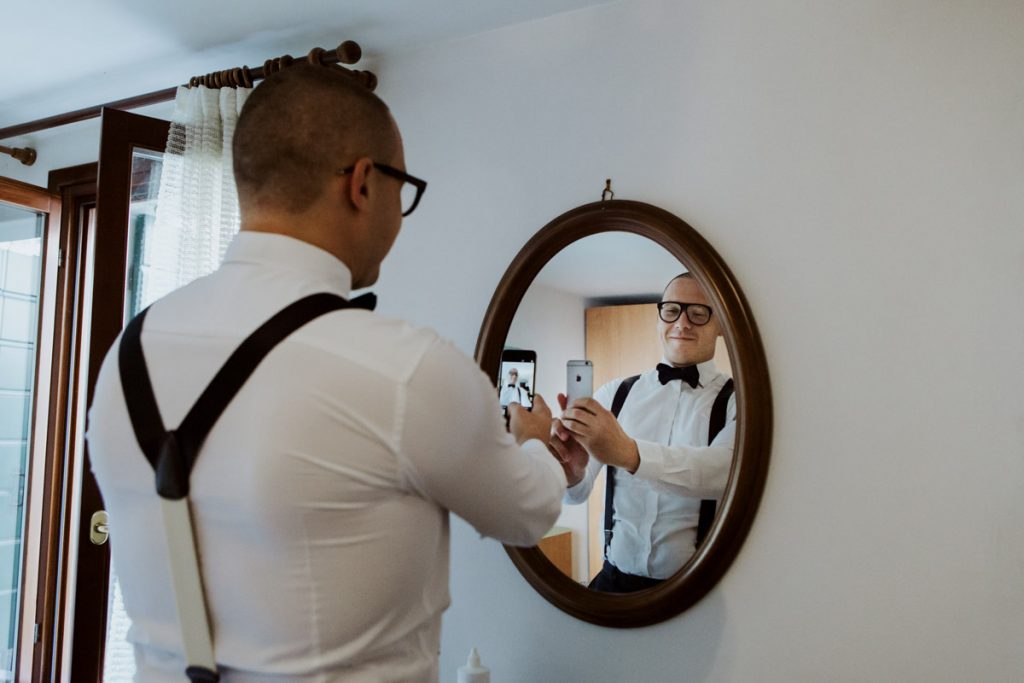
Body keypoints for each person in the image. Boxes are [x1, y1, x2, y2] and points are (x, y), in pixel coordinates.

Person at [86, 64, 566, 682]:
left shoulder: (128, 352)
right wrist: (538, 445)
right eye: (403, 188)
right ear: (363, 183)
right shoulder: (406, 371)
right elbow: (526, 515)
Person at [551, 273, 736, 593]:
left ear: (720, 324)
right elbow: (576, 495)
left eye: (698, 312)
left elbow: (719, 473)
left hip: (696, 590)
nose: (682, 323)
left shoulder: (738, 401)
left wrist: (629, 453)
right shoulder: (614, 394)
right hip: (612, 580)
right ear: (658, 317)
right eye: (672, 310)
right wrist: (572, 471)